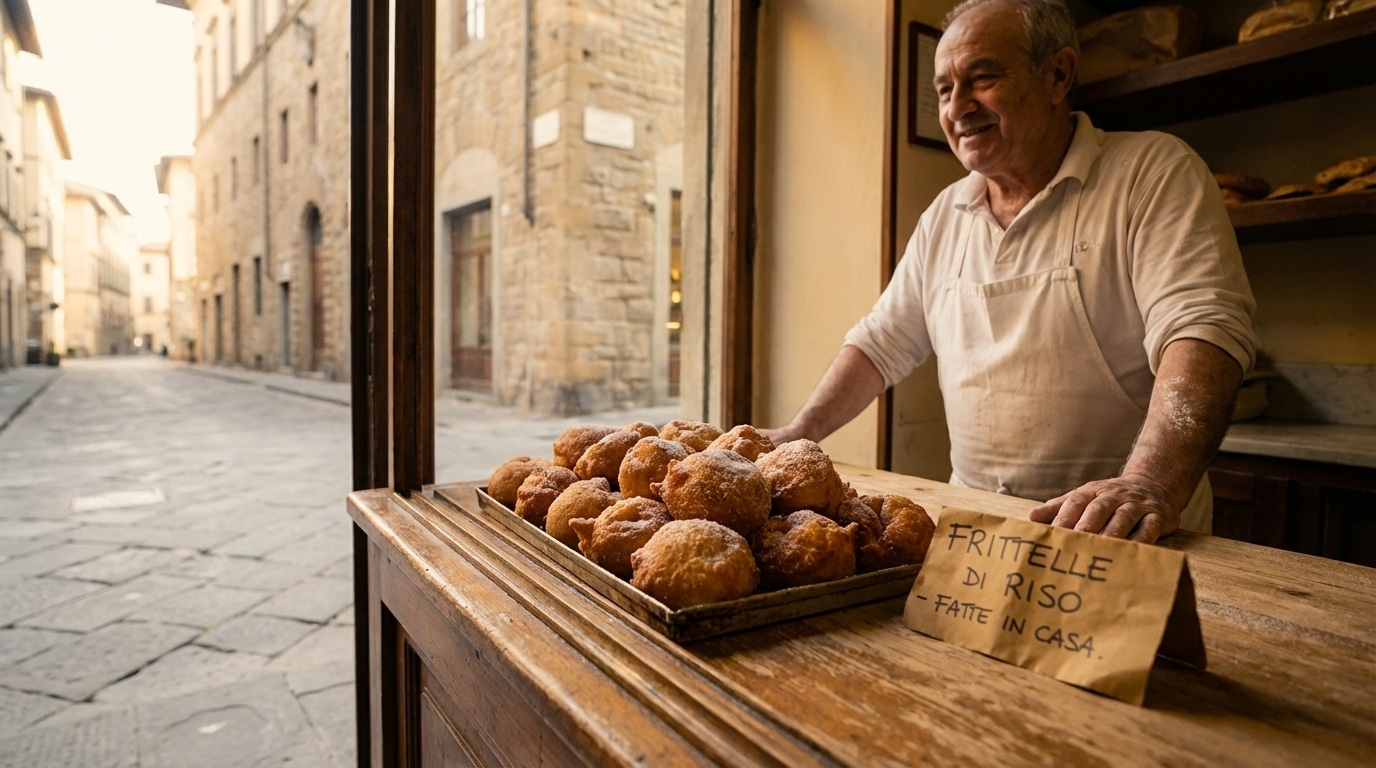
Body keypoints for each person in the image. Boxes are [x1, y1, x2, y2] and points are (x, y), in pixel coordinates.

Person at [761, 0, 1257, 544]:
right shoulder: (946, 213)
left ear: (1058, 75)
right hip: (977, 531)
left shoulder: (1151, 172)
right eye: (945, 89)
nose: (958, 108)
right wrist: (796, 434)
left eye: (982, 78)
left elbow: (1202, 329)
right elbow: (882, 342)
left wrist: (1147, 481)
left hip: (1121, 528)